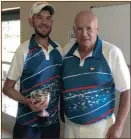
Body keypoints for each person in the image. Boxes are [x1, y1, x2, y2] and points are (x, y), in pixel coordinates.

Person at [60, 10, 130, 138]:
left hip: (101, 129)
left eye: (89, 28)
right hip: (71, 128)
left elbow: (126, 90)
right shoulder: (65, 52)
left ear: (97, 29)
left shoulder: (111, 52)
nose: (84, 33)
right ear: (74, 31)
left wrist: (119, 126)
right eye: (80, 29)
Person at [3, 1, 63, 138]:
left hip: (52, 124)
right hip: (27, 125)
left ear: (52, 22)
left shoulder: (59, 50)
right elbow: (7, 88)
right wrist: (27, 101)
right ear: (31, 21)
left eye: (48, 18)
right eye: (39, 17)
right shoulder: (23, 51)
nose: (44, 22)